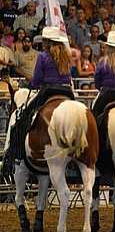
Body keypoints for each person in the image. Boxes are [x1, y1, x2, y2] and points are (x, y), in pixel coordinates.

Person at [6, 27, 74, 169]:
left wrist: (31, 85)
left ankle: (17, 152)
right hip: (67, 91)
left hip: (49, 90)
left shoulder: (43, 56)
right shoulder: (67, 55)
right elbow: (68, 76)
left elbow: (36, 80)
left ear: (46, 42)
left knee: (24, 116)